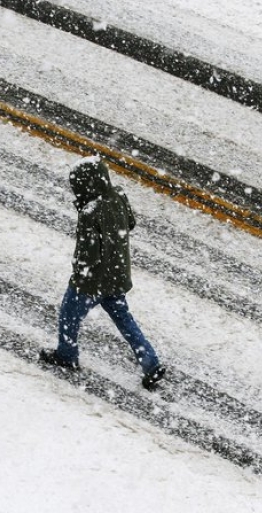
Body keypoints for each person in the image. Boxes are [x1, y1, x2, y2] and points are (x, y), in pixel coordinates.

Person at [40, 156, 166, 390]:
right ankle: (150, 363)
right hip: (117, 274)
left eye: (77, 185)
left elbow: (87, 253)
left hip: (93, 279)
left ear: (86, 185)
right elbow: (130, 223)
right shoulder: (118, 196)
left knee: (69, 314)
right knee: (124, 320)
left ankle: (66, 355)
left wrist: (79, 275)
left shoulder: (91, 211)